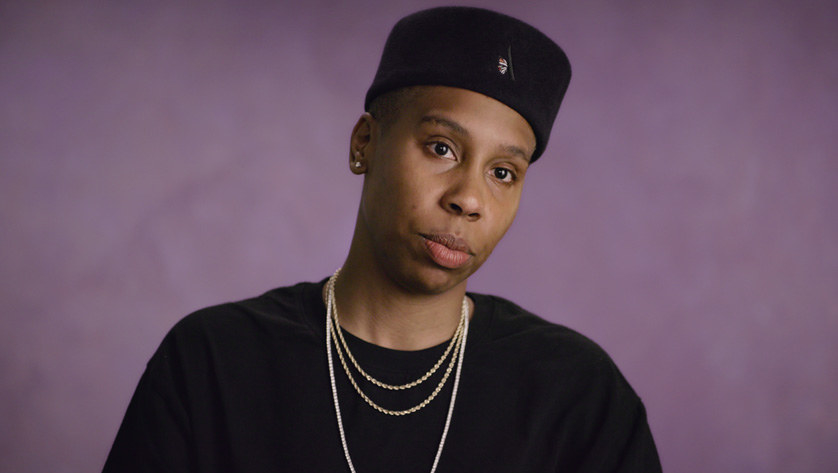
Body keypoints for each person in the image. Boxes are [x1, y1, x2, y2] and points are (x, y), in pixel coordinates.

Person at [103, 6, 661, 473]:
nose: (469, 198)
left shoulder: (579, 396)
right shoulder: (211, 363)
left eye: (503, 173)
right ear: (364, 144)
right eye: (442, 148)